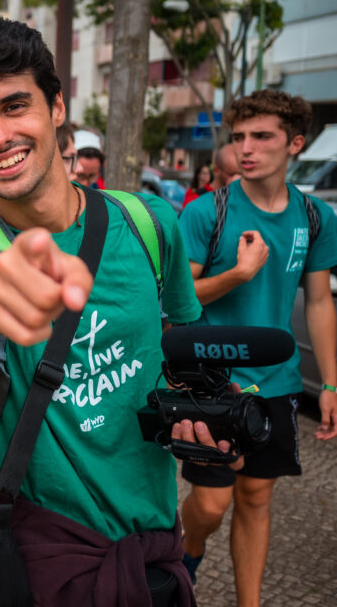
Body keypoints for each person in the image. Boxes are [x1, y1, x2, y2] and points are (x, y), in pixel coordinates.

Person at [0, 15, 209, 604]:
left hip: (156, 541)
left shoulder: (150, 223)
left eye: (14, 105)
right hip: (39, 552)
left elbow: (185, 345)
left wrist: (201, 414)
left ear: (55, 107)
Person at [177, 89, 337, 606]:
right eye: (239, 136)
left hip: (279, 381)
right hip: (213, 381)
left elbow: (318, 302)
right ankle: (186, 555)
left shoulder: (316, 219)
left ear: (294, 144)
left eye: (261, 136)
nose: (246, 148)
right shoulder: (207, 214)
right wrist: (239, 274)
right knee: (210, 504)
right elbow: (176, 302)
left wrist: (330, 380)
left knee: (256, 496)